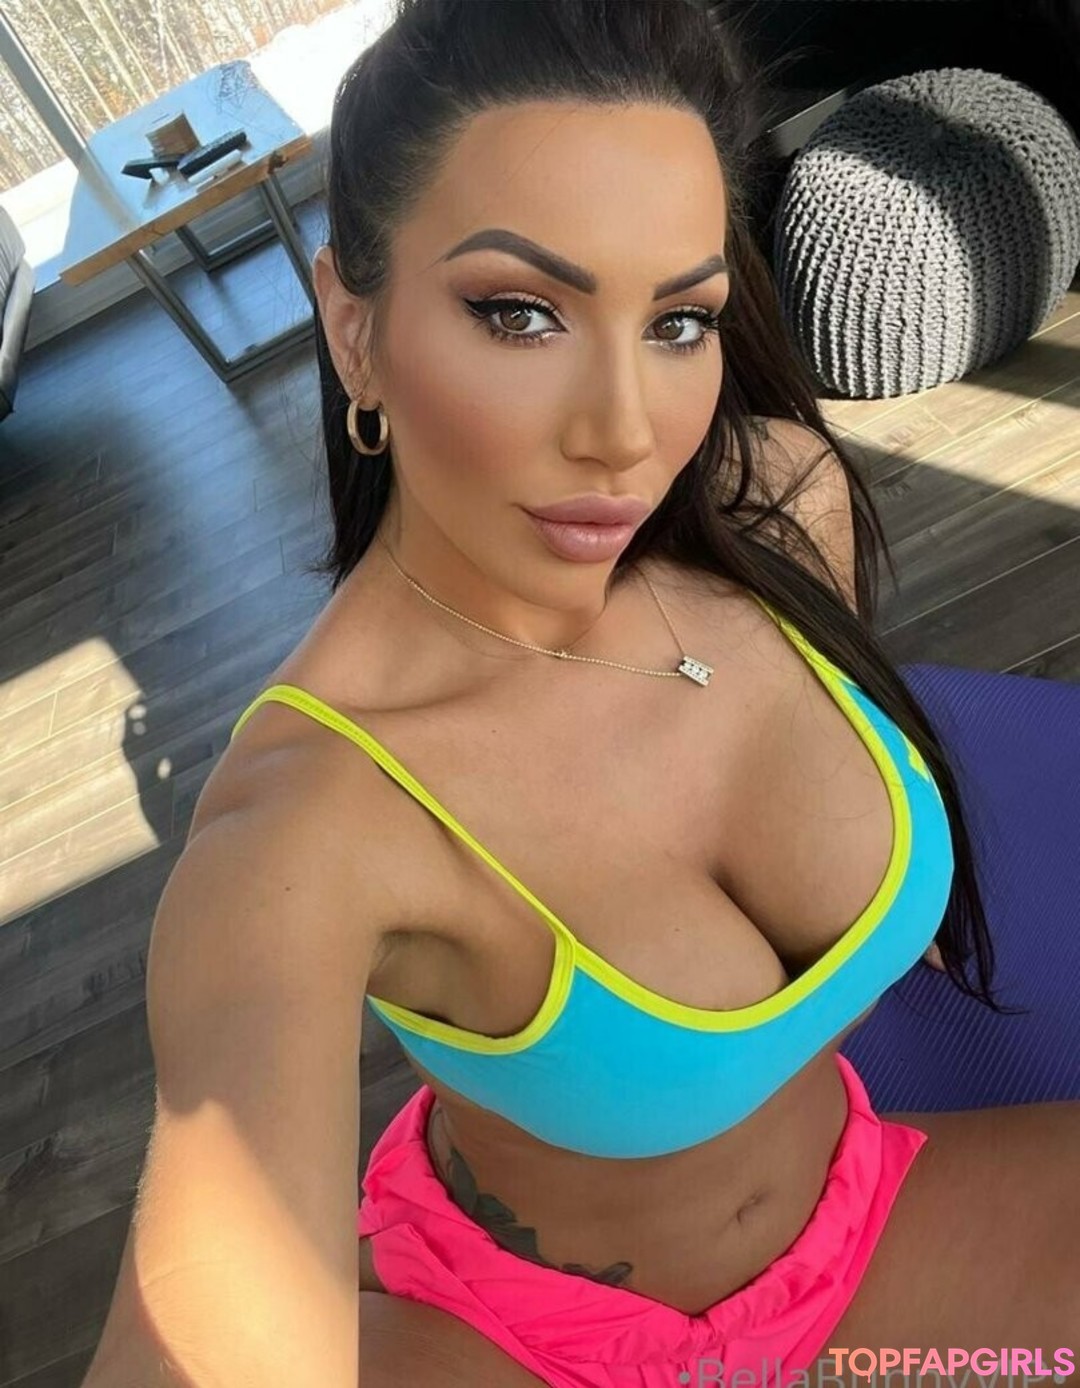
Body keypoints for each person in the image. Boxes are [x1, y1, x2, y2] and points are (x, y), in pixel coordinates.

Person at [81, 3, 1080, 1387]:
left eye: (678, 321)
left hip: (862, 1230)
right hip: (524, 1342)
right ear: (354, 329)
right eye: (520, 313)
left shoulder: (781, 513)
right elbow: (206, 1327)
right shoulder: (300, 834)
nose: (624, 432)